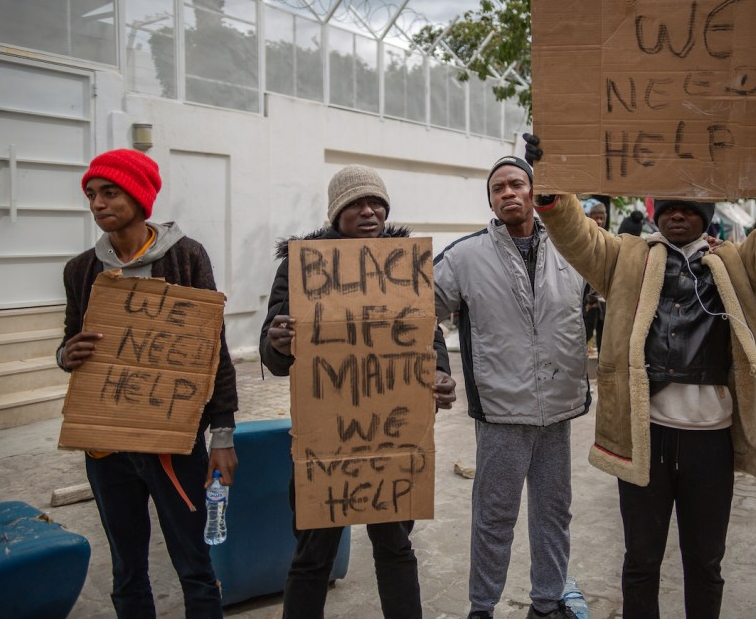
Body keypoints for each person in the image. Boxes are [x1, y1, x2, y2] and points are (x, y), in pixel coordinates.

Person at [523, 125, 756, 618]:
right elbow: (576, 233)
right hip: (642, 439)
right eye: (668, 205)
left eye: (690, 206)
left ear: (707, 215)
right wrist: (552, 183)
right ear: (654, 212)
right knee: (641, 561)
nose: (677, 213)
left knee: (706, 562)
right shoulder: (624, 257)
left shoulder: (737, 263)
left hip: (709, 444)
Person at [259, 165, 457, 618]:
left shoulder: (405, 265)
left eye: (376, 203)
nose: (369, 211)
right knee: (312, 556)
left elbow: (428, 334)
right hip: (325, 438)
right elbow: (275, 358)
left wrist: (439, 373)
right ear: (336, 213)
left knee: (395, 547)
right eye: (355, 204)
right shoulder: (301, 266)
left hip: (391, 435)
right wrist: (278, 342)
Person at [57, 149, 237, 618]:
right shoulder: (80, 270)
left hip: (172, 447)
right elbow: (68, 343)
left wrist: (222, 436)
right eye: (92, 195)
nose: (97, 203)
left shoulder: (186, 257)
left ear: (139, 195)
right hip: (105, 448)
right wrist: (66, 355)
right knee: (127, 570)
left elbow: (212, 351)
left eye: (109, 192)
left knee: (195, 567)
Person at [433, 155, 590, 619]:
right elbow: (414, 310)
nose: (508, 193)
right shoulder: (464, 257)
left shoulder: (572, 249)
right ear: (490, 199)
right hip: (502, 412)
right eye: (498, 187)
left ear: (533, 190)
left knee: (553, 515)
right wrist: (435, 365)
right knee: (494, 518)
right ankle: (482, 608)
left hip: (557, 410)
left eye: (516, 184)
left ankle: (546, 603)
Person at [584, 203, 608, 355]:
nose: (599, 221)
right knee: (584, 334)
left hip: (603, 301)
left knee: (603, 339)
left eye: (601, 218)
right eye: (596, 217)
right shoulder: (583, 237)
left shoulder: (607, 237)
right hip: (587, 300)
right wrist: (590, 299)